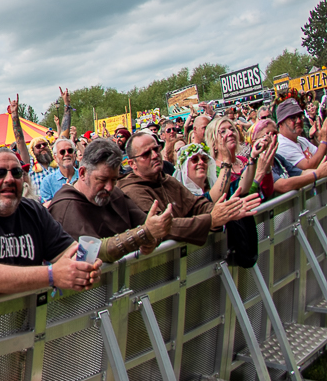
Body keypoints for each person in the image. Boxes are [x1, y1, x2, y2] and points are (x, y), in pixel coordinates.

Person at [0, 148, 98, 295]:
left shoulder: (33, 210)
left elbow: (67, 251)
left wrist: (85, 265)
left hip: (32, 313)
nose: (9, 179)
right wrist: (51, 275)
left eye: (16, 173)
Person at [120, 131, 257, 245]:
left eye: (156, 149)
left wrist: (225, 211)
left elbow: (196, 204)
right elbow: (162, 226)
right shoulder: (131, 190)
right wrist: (211, 220)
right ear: (132, 164)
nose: (155, 155)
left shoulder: (167, 180)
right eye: (146, 154)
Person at [47, 139, 173, 261]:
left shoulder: (114, 193)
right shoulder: (64, 206)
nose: (109, 187)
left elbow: (148, 227)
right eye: (102, 180)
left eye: (114, 180)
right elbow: (93, 252)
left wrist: (152, 239)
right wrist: (143, 234)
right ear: (82, 173)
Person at [275, 99, 326, 172]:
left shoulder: (300, 140)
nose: (299, 121)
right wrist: (324, 140)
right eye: (293, 118)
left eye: (300, 116)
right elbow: (309, 166)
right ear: (281, 123)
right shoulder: (282, 145)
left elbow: (321, 156)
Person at [32, 137, 79, 204]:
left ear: (74, 155)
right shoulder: (48, 182)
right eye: (62, 152)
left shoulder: (84, 176)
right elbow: (45, 207)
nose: (66, 154)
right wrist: (63, 194)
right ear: (55, 158)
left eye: (70, 151)